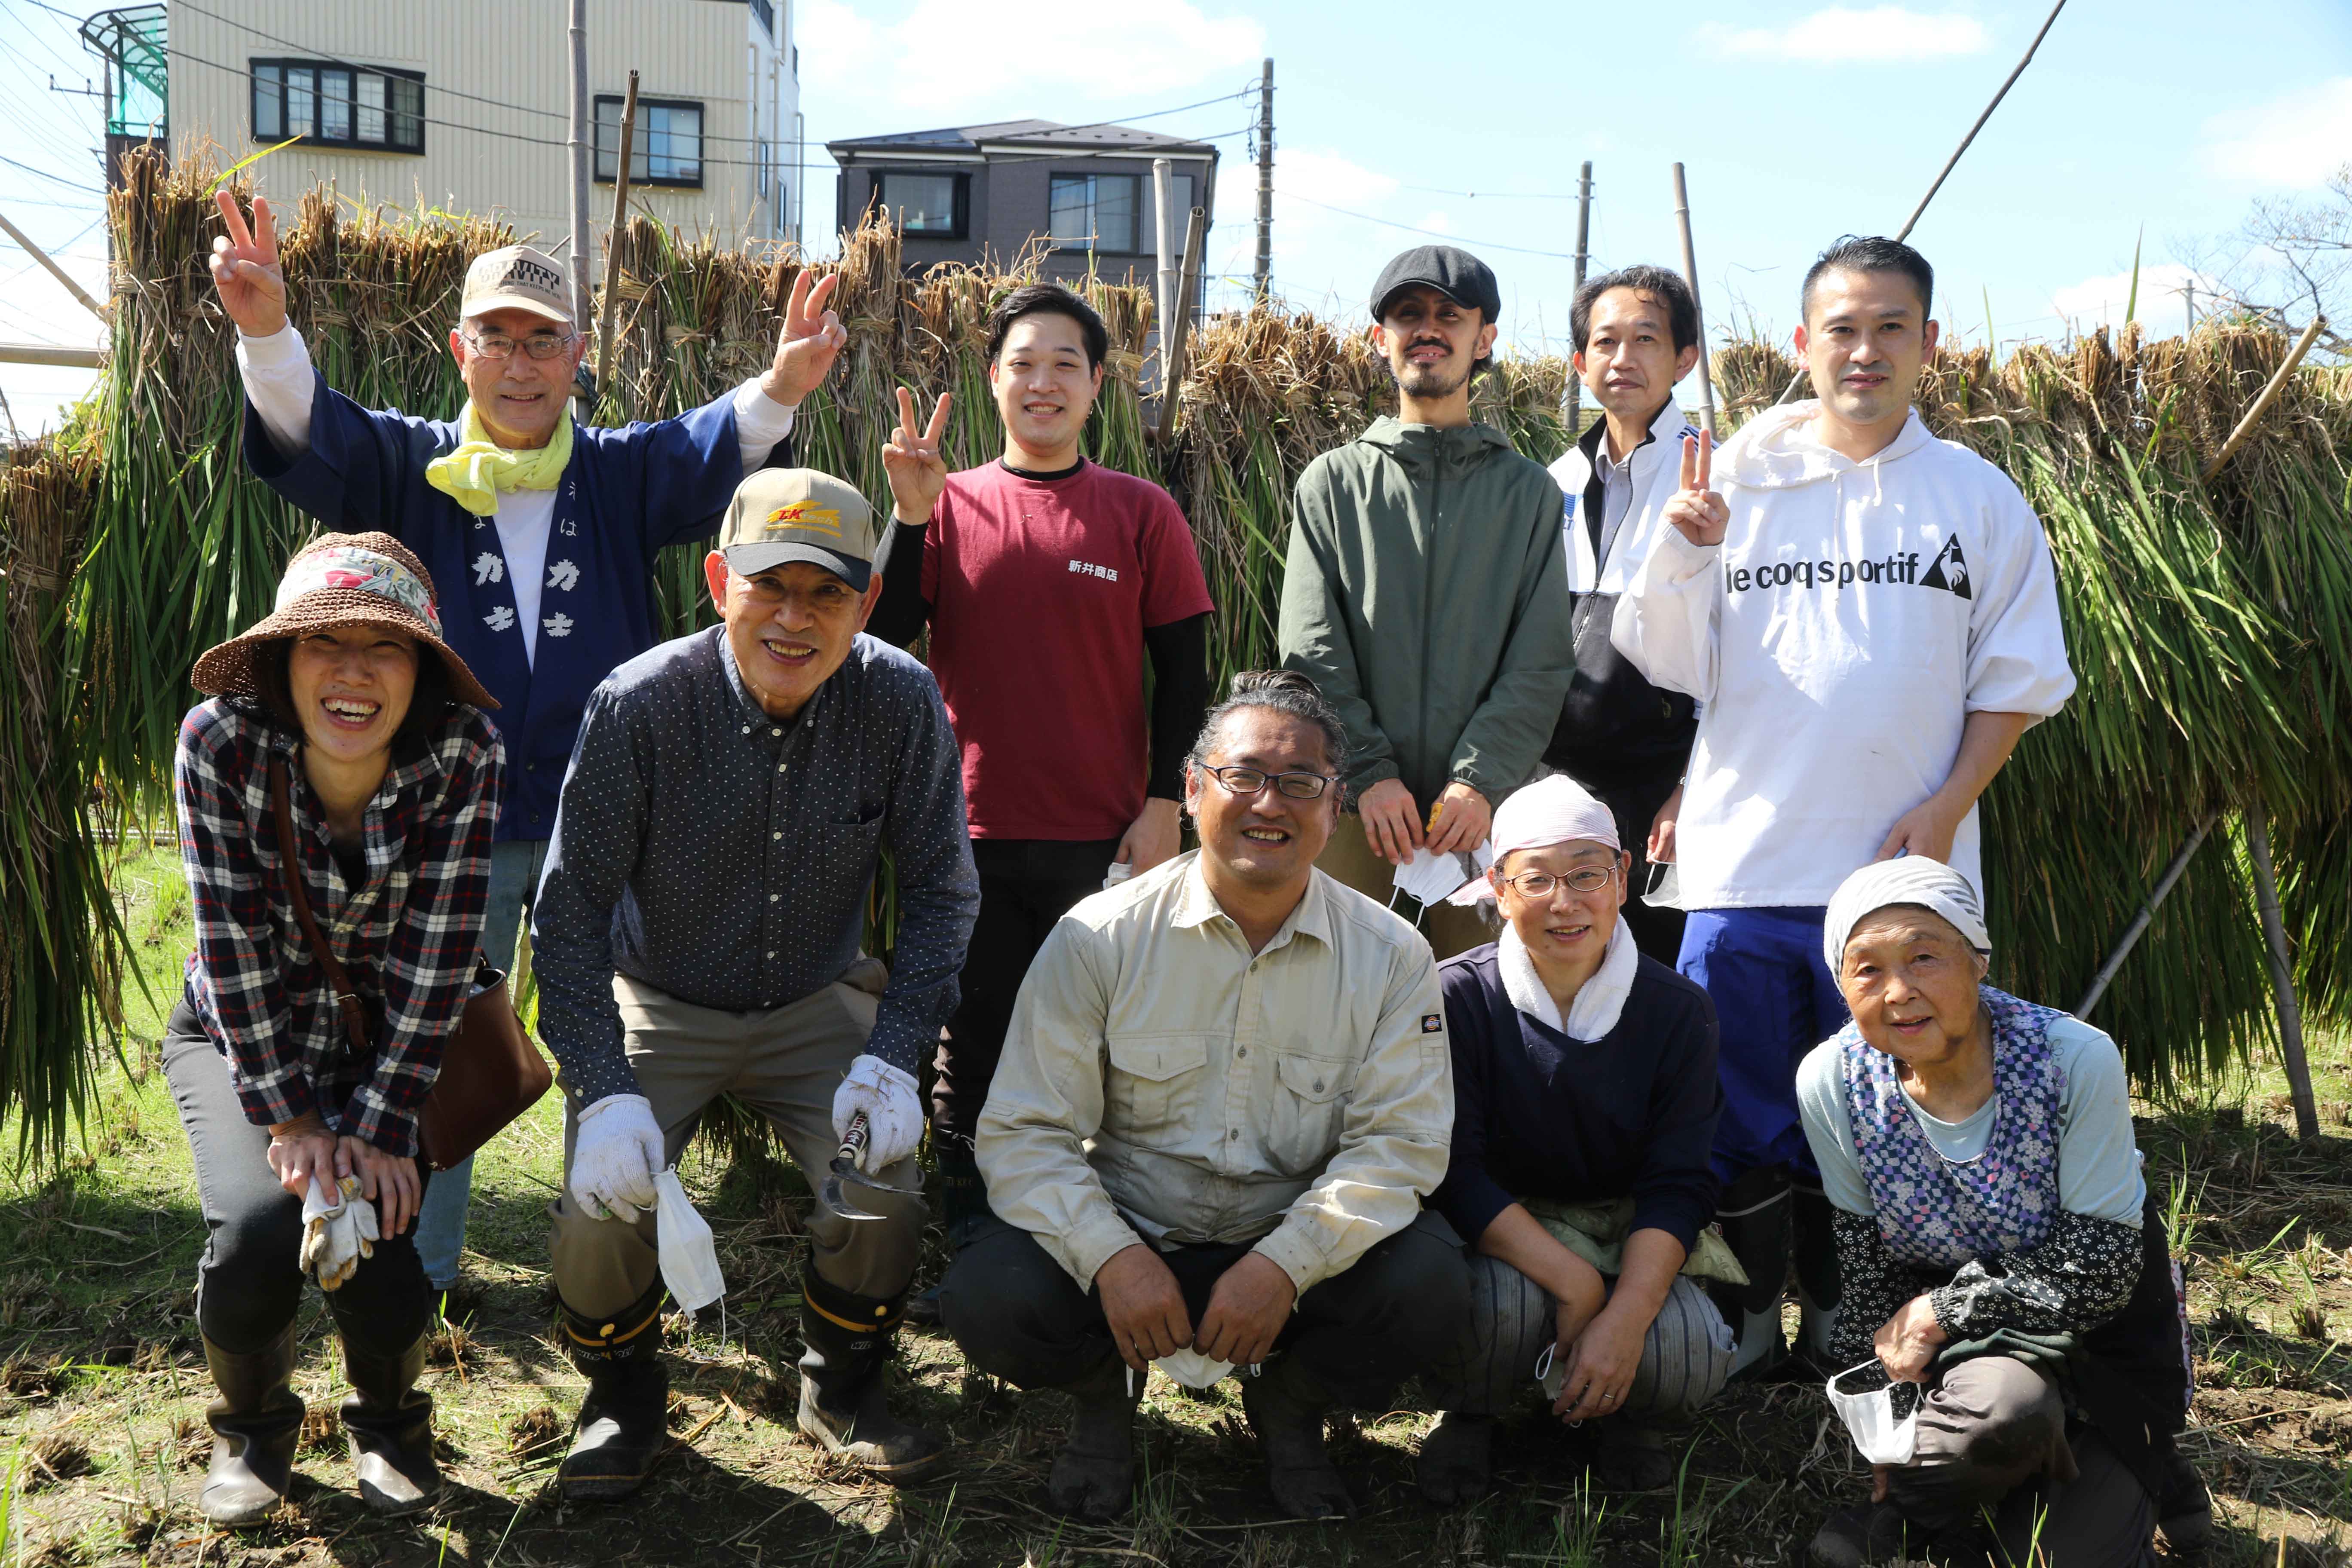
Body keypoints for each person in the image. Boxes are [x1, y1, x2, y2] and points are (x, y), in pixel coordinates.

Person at [205, 190, 847, 1295]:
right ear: (460, 350)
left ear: (577, 354)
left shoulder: (612, 471)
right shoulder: (406, 464)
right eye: (496, 337)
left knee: (623, 1041)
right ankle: (424, 1275)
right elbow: (311, 424)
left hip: (609, 818)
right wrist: (266, 329)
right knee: (435, 1034)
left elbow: (710, 446)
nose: (518, 362)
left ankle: (601, 1270)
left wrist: (786, 380)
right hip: (450, 828)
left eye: (542, 339)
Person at [1611, 235, 2076, 1377]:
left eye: (1889, 329)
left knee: (1880, 1112)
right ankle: (1746, 1320)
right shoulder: (1732, 477)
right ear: (1800, 344)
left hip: (1901, 882)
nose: (1864, 352)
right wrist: (1684, 552)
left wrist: (1948, 803)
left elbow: (2016, 679)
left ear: (1931, 342)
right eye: (1841, 329)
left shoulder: (1976, 495)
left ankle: (1842, 1318)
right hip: (1744, 865)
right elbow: (1664, 660)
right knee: (1743, 1116)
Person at [527, 467, 980, 1498]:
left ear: (867, 603)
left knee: (884, 1183)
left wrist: (896, 1053)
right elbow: (569, 912)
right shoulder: (640, 704)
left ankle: (842, 1384)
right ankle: (624, 1395)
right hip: (660, 995)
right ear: (718, 577)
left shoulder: (901, 703)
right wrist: (599, 1085)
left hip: (818, 999)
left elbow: (945, 896)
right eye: (770, 586)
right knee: (602, 1206)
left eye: (826, 594)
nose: (794, 618)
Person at [942, 671, 1468, 1523]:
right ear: (1191, 790)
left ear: (1334, 808)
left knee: (1431, 1284)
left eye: (1301, 783)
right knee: (989, 1293)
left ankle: (1291, 1403)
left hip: (1294, 1252)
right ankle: (1104, 1394)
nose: (1272, 802)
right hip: (1137, 1235)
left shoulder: (1392, 956)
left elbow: (1401, 1148)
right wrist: (1112, 1257)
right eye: (1245, 776)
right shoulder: (1098, 939)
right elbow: (1025, 1132)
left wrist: (1283, 1267)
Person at [866, 282, 1215, 1267]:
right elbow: (885, 641)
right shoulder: (952, 504)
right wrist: (908, 514)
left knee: (1105, 1052)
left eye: (1066, 363)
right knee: (970, 1045)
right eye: (1024, 362)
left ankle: (1098, 1243)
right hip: (966, 835)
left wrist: (1163, 814)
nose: (1044, 381)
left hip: (1104, 840)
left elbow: (1185, 677)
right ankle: (973, 1239)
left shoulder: (1141, 514)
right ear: (993, 379)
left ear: (1098, 385)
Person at [166, 533, 502, 1523]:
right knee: (259, 1232)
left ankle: (393, 1426)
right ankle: (253, 1431)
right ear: (282, 663)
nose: (353, 671)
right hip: (240, 1035)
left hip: (395, 1041)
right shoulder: (219, 745)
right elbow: (229, 948)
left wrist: (383, 1116)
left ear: (421, 674)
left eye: (385, 647)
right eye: (324, 643)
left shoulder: (464, 753)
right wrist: (294, 1124)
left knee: (386, 1235)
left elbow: (440, 953)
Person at [1796, 858, 2202, 1568]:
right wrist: (1897, 1432)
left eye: (1925, 956)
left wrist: (1943, 1309)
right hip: (1971, 1365)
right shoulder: (1834, 1082)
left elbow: (2102, 1269)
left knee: (2062, 1558)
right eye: (1867, 969)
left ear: (1978, 960)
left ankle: (2139, 1461)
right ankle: (1927, 1500)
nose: (1899, 992)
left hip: (2098, 1335)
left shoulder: (2071, 1057)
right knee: (1997, 1418)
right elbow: (1864, 1264)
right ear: (1841, 985)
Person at [1417, 775, 1733, 1502]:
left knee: (1687, 1353)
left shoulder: (1679, 1012)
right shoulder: (1455, 995)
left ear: (1622, 877)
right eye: (1538, 879)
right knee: (1500, 1313)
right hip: (1501, 1233)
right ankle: (1472, 1411)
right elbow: (1453, 1171)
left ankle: (1626, 1415)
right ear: (1498, 886)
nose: (1566, 902)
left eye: (1587, 874)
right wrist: (1574, 1281)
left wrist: (1624, 1314)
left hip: (1628, 1231)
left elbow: (1678, 1182)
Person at [1278, 246, 1574, 959]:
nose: (1428, 329)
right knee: (1338, 1000)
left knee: (1476, 1013)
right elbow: (1311, 652)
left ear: (1486, 338)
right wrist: (1371, 776)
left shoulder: (1528, 492)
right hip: (1353, 811)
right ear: (1382, 340)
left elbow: (1539, 662)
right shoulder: (1333, 483)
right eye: (1408, 314)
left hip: (1480, 819)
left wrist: (1476, 783)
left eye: (1450, 314)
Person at [1542, 267, 1706, 965]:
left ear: (1685, 358)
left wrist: (1688, 789)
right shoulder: (1553, 483)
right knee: (1559, 976)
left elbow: (1749, 662)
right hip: (1555, 788)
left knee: (1654, 984)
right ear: (1581, 363)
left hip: (1661, 792)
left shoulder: (1721, 479)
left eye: (1647, 339)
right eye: (1605, 342)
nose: (1624, 358)